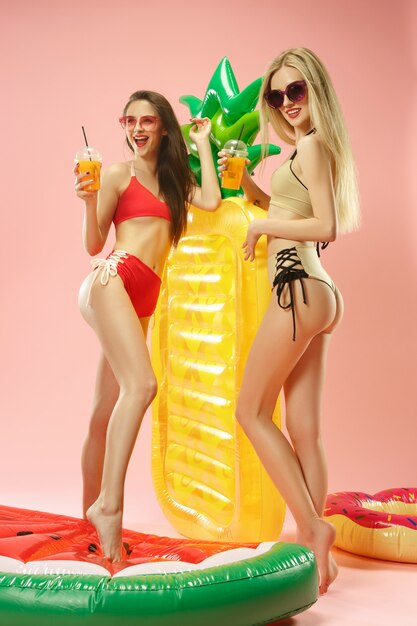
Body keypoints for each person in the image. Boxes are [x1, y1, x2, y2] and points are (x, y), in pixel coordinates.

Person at [219, 48, 359, 593]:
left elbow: (325, 222)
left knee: (250, 410)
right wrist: (251, 187)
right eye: (278, 95)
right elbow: (292, 214)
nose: (287, 103)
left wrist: (257, 230)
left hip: (296, 288)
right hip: (315, 291)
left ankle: (310, 528)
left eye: (296, 91)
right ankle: (316, 561)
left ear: (316, 90)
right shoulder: (301, 152)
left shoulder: (317, 145)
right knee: (303, 430)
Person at [74, 90, 221, 562]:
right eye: (129, 120)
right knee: (142, 387)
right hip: (115, 277)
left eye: (147, 121)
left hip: (144, 297)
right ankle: (109, 508)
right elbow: (94, 244)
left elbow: (214, 201)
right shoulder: (118, 175)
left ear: (163, 128)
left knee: (105, 410)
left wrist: (203, 143)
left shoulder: (177, 182)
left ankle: (87, 522)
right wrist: (89, 199)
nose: (136, 129)